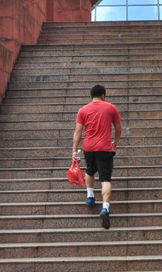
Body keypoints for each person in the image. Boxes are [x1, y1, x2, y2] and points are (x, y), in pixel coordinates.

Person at [72, 84, 122, 229]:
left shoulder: (83, 110)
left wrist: (74, 151)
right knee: (105, 179)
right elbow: (118, 129)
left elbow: (78, 131)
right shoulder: (111, 108)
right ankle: (105, 208)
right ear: (103, 96)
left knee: (89, 170)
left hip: (88, 148)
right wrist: (115, 143)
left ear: (90, 97)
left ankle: (90, 196)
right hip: (105, 148)